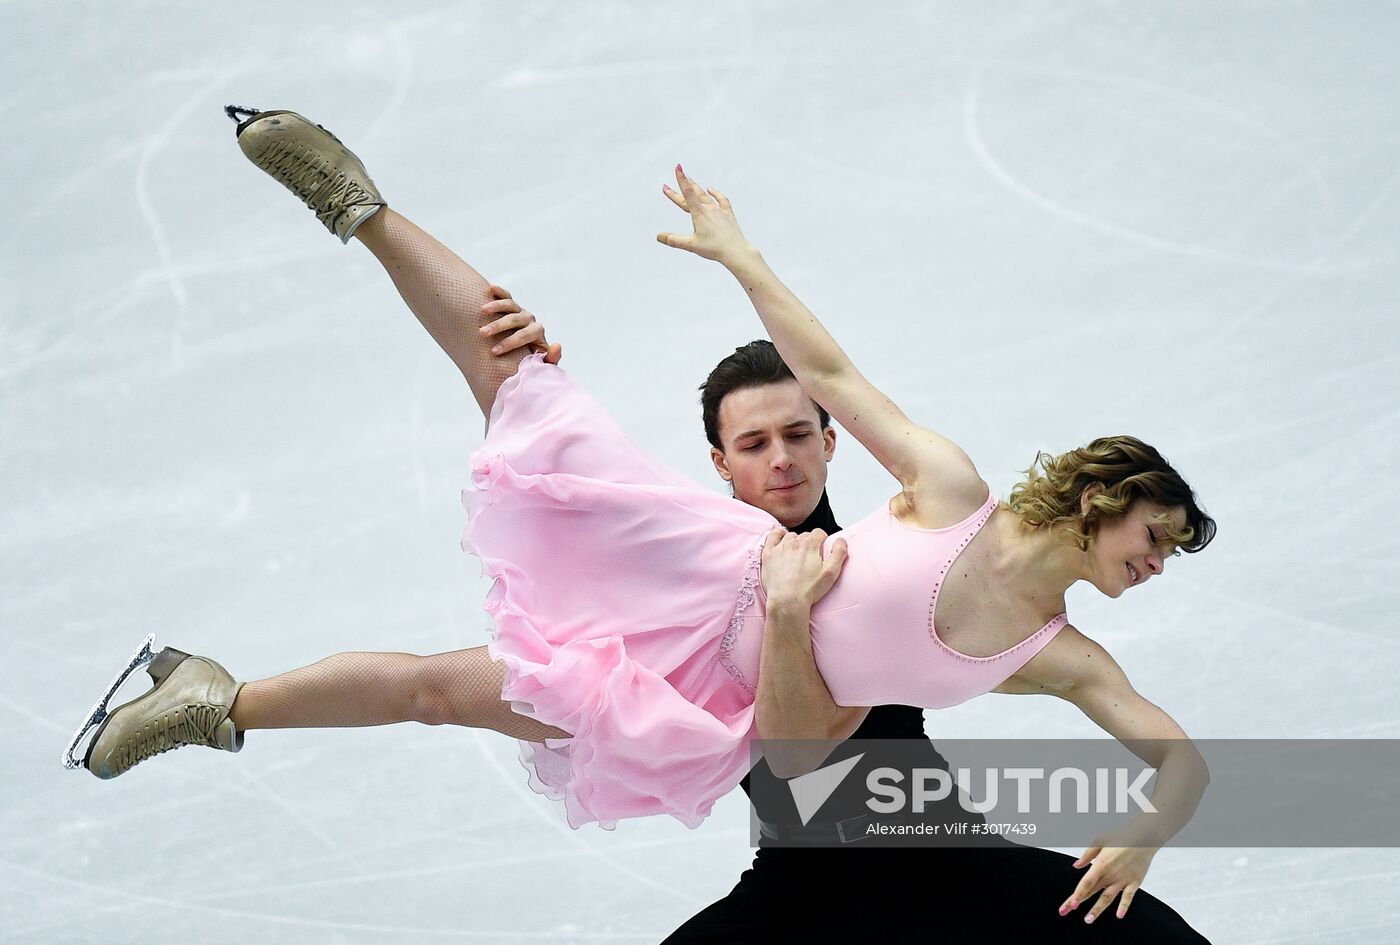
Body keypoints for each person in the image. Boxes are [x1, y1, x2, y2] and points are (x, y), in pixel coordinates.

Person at [70, 108, 1215, 926]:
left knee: (447, 684)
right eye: (751, 444)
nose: (779, 457)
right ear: (715, 463)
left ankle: (214, 697)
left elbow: (1154, 746)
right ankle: (359, 208)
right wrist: (735, 257)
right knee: (530, 389)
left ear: (829, 443)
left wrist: (1153, 822)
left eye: (797, 436)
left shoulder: (982, 596)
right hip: (705, 605)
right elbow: (823, 371)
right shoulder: (873, 512)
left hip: (732, 720)